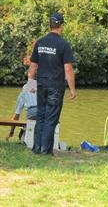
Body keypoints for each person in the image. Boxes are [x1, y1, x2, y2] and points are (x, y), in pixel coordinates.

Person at [28, 12, 76, 155]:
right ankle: (46, 150)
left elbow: (32, 67)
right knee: (51, 118)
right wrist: (73, 90)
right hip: (55, 86)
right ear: (61, 25)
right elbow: (68, 70)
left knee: (41, 115)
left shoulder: (40, 42)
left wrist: (31, 86)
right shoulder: (64, 44)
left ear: (50, 25)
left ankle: (37, 148)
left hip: (41, 85)